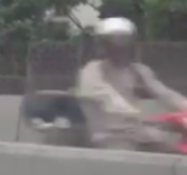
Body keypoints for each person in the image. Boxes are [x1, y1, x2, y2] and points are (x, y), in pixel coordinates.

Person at [75, 16, 187, 153]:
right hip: (108, 135)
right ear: (104, 45)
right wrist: (141, 116)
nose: (121, 48)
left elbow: (164, 93)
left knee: (176, 147)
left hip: (139, 131)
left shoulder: (138, 70)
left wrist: (183, 107)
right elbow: (108, 98)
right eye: (116, 43)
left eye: (125, 42)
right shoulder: (92, 70)